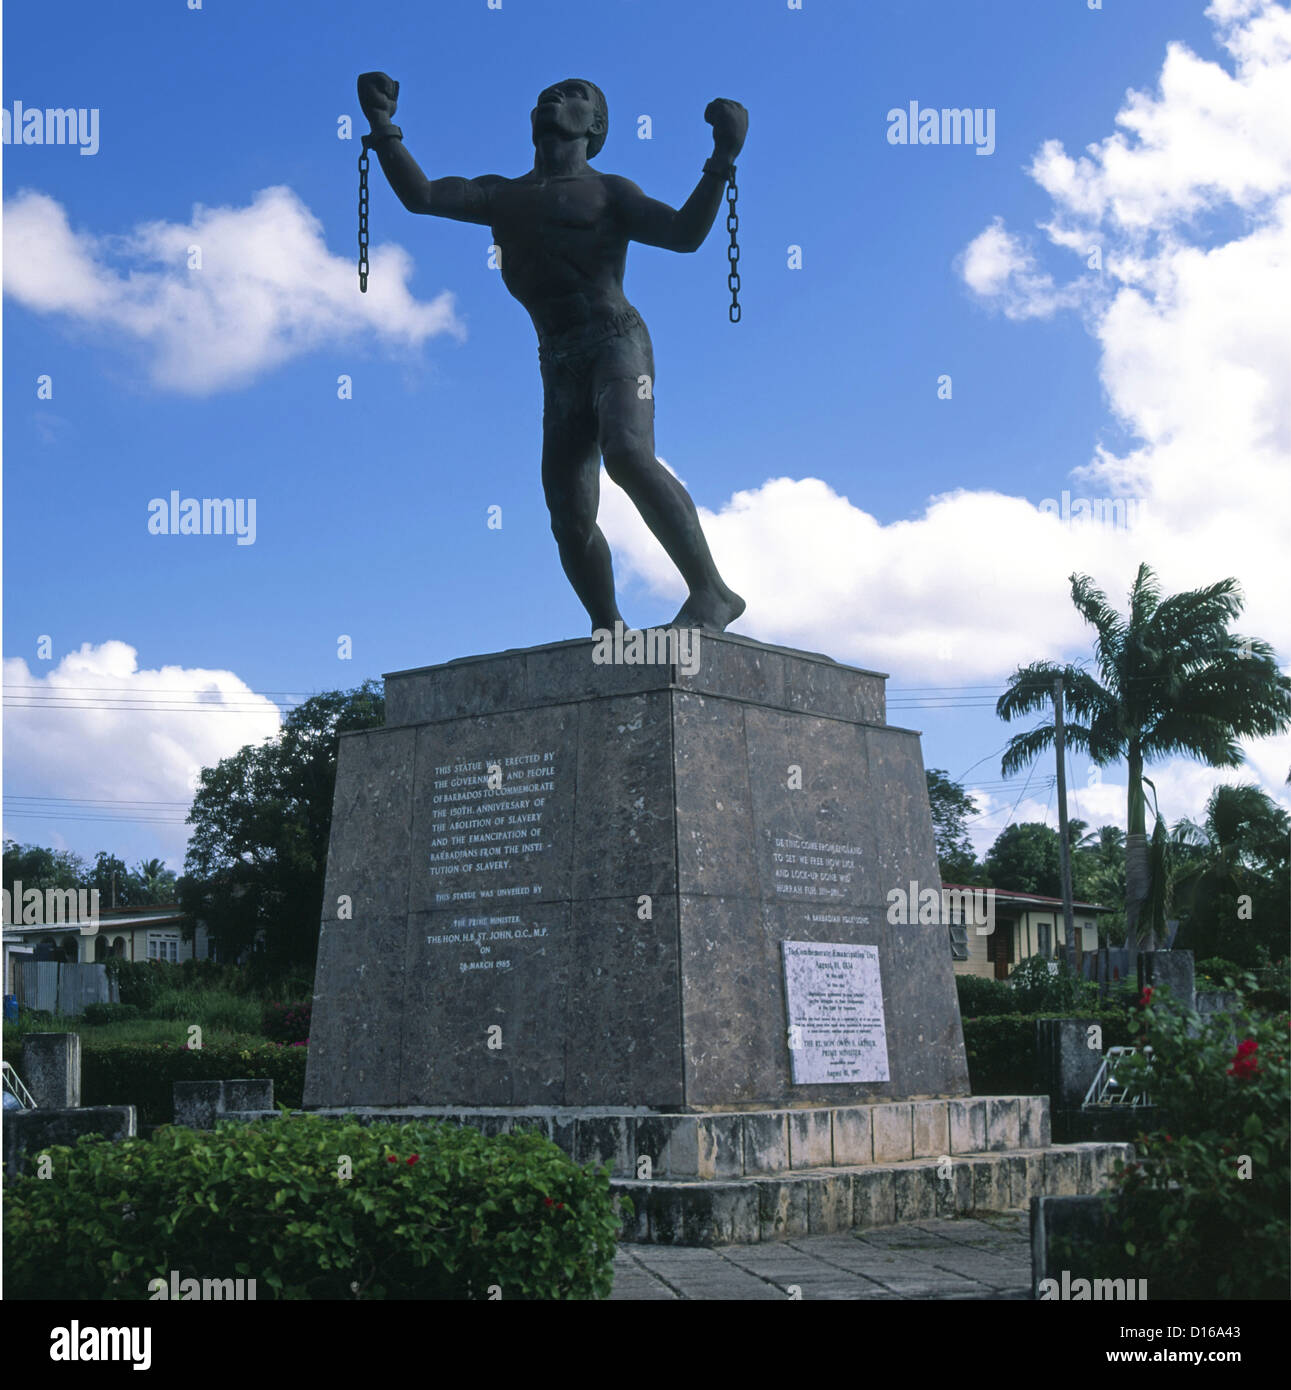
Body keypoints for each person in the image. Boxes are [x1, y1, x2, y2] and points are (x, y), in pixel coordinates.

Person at [358, 72, 748, 633]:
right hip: (558, 359)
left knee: (627, 455)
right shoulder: (503, 196)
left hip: (618, 342)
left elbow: (685, 234)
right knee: (568, 516)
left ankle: (712, 593)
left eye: (575, 95)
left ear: (594, 126)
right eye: (549, 93)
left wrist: (722, 156)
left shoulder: (610, 192)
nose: (554, 97)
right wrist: (382, 125)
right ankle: (608, 628)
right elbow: (422, 197)